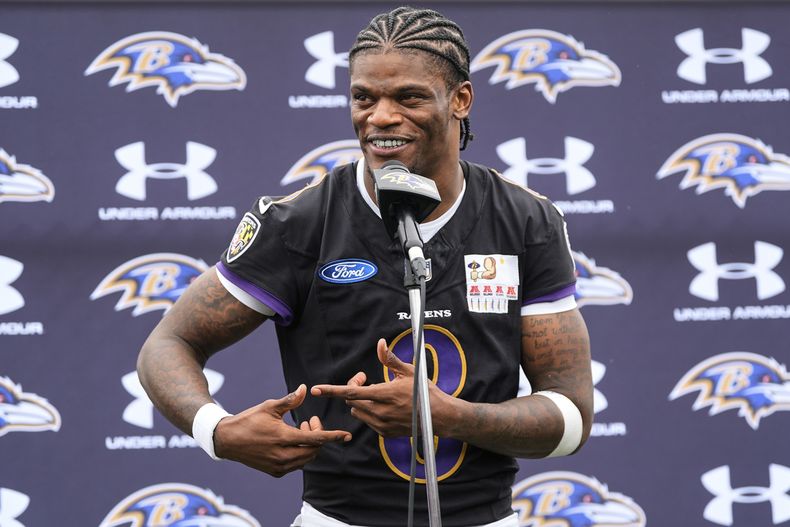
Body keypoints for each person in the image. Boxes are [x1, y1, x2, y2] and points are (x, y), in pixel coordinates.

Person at [137, 6, 593, 527]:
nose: (379, 117)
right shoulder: (300, 222)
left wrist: (447, 416)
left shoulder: (525, 220)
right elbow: (167, 344)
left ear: (460, 100)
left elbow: (572, 418)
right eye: (363, 97)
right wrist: (215, 430)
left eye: (409, 97)